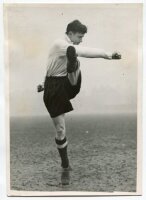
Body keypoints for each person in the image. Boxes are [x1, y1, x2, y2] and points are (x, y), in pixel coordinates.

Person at [37, 20, 121, 185]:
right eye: (79, 36)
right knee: (60, 130)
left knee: (75, 59)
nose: (81, 40)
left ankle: (73, 65)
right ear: (70, 33)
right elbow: (52, 67)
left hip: (67, 84)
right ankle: (65, 164)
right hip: (54, 90)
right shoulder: (59, 44)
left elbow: (56, 63)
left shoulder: (67, 47)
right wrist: (108, 55)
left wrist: (109, 55)